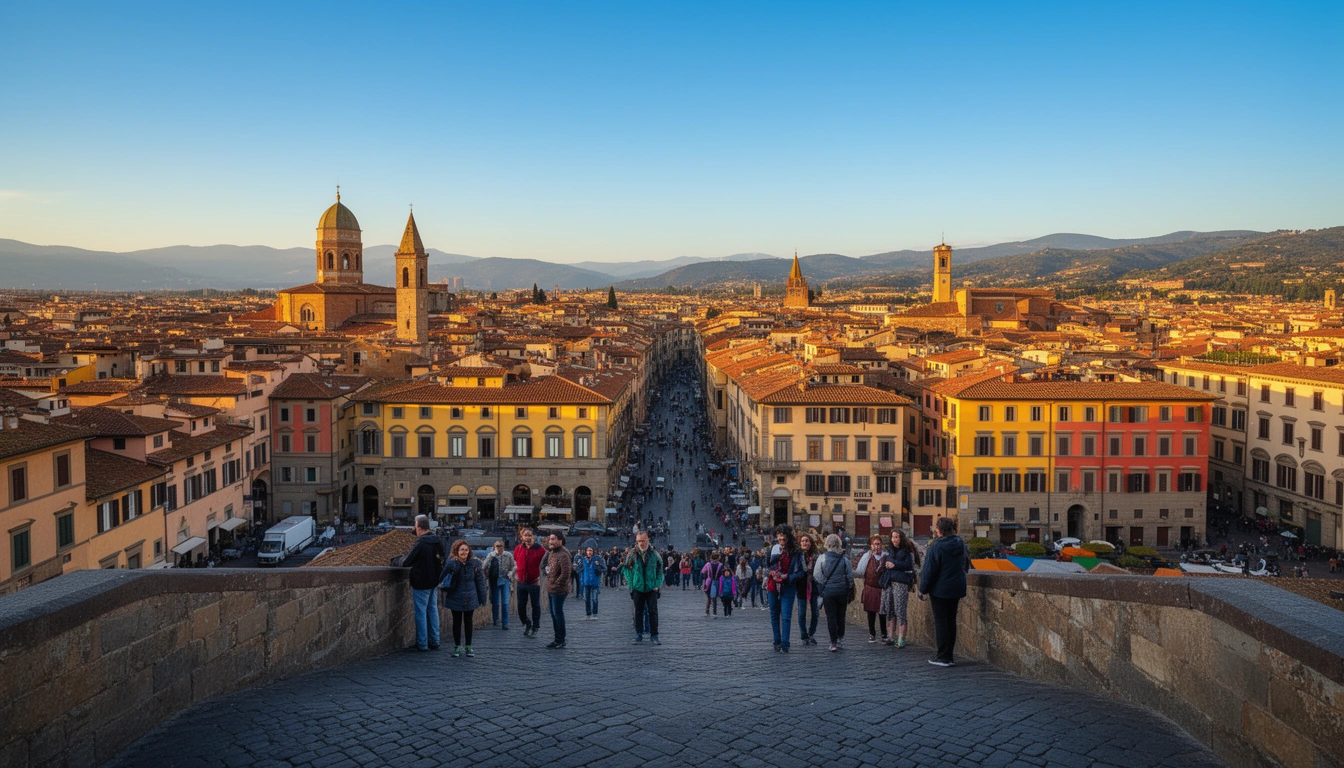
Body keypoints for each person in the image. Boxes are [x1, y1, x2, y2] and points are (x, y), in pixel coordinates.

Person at [920, 516, 971, 667]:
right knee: (951, 621)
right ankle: (949, 656)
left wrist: (923, 589)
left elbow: (929, 571)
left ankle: (943, 656)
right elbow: (966, 564)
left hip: (940, 590)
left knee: (941, 622)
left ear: (939, 530)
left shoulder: (935, 547)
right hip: (956, 588)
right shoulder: (960, 543)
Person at [400, 515, 446, 651]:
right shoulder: (437, 540)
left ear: (419, 527)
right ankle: (435, 641)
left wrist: (398, 560)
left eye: (416, 526)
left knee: (420, 612)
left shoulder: (421, 543)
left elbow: (407, 562)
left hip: (421, 581)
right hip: (434, 581)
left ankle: (422, 643)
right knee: (432, 610)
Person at [441, 538, 488, 657]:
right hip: (455, 596)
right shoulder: (451, 563)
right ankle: (457, 646)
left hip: (470, 596)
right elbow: (442, 578)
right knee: (456, 622)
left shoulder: (475, 563)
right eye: (462, 550)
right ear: (456, 551)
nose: (464, 552)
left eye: (466, 550)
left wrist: (482, 598)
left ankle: (468, 646)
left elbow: (480, 582)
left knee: (468, 622)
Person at [766, 525, 805, 652]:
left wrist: (788, 576)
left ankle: (785, 643)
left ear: (788, 537)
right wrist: (771, 573)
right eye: (779, 536)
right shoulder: (772, 549)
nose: (781, 539)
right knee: (774, 614)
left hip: (788, 585)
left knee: (786, 616)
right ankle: (776, 641)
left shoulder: (796, 552)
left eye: (784, 536)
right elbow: (766, 566)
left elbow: (801, 572)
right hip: (773, 585)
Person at [814, 534, 855, 652]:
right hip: (842, 591)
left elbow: (817, 575)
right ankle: (840, 639)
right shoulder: (844, 559)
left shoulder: (822, 558)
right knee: (841, 616)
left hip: (828, 592)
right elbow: (850, 576)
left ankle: (833, 642)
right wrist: (849, 587)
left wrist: (825, 583)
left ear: (827, 544)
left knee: (831, 617)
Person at [623, 531, 665, 645]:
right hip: (638, 587)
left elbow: (660, 570)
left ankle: (654, 635)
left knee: (653, 611)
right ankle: (639, 634)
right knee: (638, 611)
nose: (642, 543)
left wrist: (657, 584)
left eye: (643, 540)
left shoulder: (654, 554)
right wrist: (631, 585)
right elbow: (626, 569)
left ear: (648, 540)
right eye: (639, 541)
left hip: (651, 587)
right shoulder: (632, 554)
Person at [881, 529, 919, 649]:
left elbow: (909, 565)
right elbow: (885, 562)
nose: (894, 539)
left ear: (901, 538)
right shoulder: (889, 550)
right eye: (893, 537)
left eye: (897, 537)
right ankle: (891, 636)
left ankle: (901, 638)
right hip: (889, 582)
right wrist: (887, 564)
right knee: (890, 610)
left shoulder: (907, 552)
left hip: (900, 583)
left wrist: (894, 564)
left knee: (900, 610)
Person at [513, 528, 546, 638]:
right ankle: (527, 623)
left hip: (534, 582)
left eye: (530, 535)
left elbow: (546, 563)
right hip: (521, 582)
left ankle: (535, 627)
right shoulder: (518, 549)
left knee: (535, 605)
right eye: (525, 535)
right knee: (520, 607)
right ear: (521, 537)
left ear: (533, 537)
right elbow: (515, 562)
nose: (528, 537)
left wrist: (542, 577)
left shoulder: (540, 549)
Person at [857, 535, 889, 643]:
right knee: (871, 612)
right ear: (871, 546)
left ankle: (884, 634)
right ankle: (872, 634)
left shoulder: (886, 556)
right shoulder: (867, 557)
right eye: (875, 544)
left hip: (882, 588)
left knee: (883, 612)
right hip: (870, 588)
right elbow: (860, 571)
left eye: (879, 544)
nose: (877, 547)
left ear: (882, 545)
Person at [543, 532, 572, 649]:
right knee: (554, 614)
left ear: (560, 540)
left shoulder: (563, 555)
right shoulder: (552, 552)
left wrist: (556, 583)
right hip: (551, 588)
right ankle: (557, 638)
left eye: (553, 539)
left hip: (558, 590)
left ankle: (560, 639)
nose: (550, 541)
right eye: (550, 539)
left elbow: (566, 573)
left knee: (557, 614)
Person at [483, 540, 516, 630]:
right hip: (494, 580)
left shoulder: (508, 555)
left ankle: (505, 623)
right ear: (494, 547)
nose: (499, 548)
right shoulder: (491, 555)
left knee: (505, 602)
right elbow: (484, 567)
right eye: (497, 546)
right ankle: (495, 619)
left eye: (501, 546)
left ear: (503, 547)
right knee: (495, 601)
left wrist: (510, 573)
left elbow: (513, 565)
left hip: (505, 579)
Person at [796, 532, 821, 646]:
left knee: (815, 613)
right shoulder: (797, 556)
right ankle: (803, 635)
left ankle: (811, 634)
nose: (805, 543)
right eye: (802, 541)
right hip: (801, 587)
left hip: (814, 586)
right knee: (802, 613)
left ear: (811, 543)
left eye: (807, 541)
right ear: (800, 543)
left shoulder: (816, 556)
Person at [577, 545, 606, 619]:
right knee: (587, 599)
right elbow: (578, 569)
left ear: (593, 552)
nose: (589, 552)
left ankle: (595, 614)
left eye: (590, 551)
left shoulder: (597, 558)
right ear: (585, 552)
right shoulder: (583, 559)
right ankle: (588, 614)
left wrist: (598, 566)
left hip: (595, 581)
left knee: (594, 599)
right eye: (588, 551)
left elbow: (604, 568)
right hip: (586, 581)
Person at [702, 551, 726, 617]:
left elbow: (703, 572)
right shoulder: (721, 565)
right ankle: (714, 613)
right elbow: (723, 574)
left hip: (709, 582)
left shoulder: (708, 564)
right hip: (717, 582)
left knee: (708, 597)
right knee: (714, 598)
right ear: (718, 558)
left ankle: (707, 611)